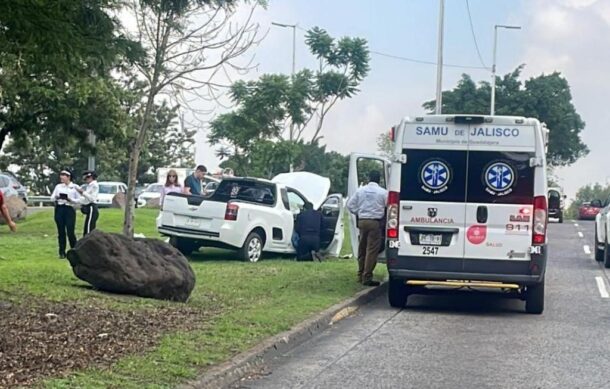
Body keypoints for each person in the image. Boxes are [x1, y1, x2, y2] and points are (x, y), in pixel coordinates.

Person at [346, 170, 388, 286]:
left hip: (362, 221)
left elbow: (350, 205)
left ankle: (359, 274)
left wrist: (358, 213)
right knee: (371, 250)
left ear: (369, 178)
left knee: (362, 248)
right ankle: (367, 277)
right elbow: (389, 207)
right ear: (379, 180)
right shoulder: (383, 192)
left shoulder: (360, 191)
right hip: (375, 223)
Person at [50, 170, 81, 258]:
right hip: (60, 208)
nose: (61, 177)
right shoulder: (58, 187)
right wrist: (56, 197)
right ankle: (62, 252)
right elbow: (52, 198)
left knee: (70, 231)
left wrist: (71, 200)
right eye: (61, 175)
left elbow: (79, 200)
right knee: (61, 231)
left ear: (68, 177)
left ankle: (74, 250)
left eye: (64, 175)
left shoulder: (74, 187)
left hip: (69, 208)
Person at [76, 170, 99, 236]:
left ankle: (88, 242)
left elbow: (92, 198)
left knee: (89, 228)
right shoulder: (89, 186)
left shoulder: (94, 185)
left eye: (86, 178)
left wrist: (82, 192)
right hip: (88, 206)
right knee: (87, 227)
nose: (85, 180)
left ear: (90, 177)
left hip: (92, 207)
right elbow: (85, 199)